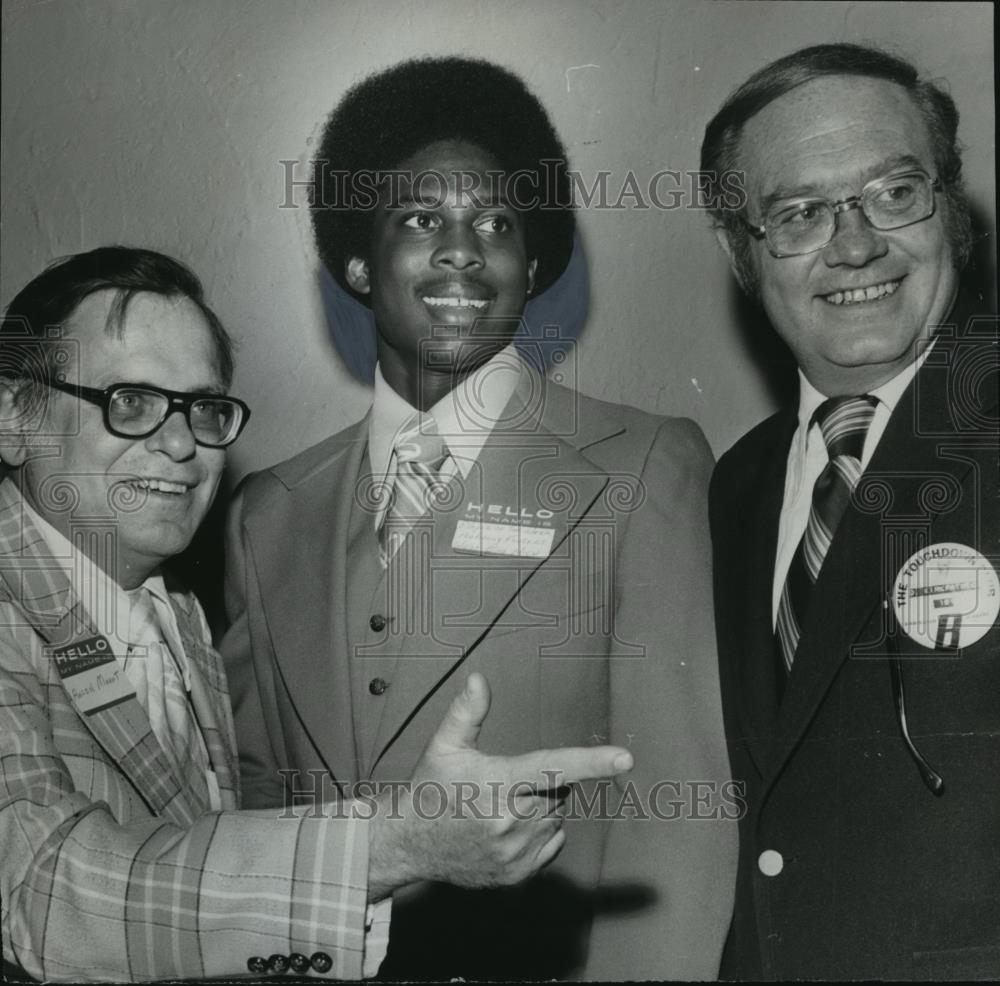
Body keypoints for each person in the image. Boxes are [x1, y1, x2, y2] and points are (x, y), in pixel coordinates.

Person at [221, 56, 736, 980]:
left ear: (532, 267)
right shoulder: (267, 514)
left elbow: (680, 816)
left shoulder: (643, 465)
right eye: (421, 219)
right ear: (354, 260)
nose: (463, 249)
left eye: (496, 223)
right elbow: (255, 805)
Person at [0, 246, 633, 982]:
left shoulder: (178, 617)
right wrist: (394, 844)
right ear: (14, 415)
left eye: (203, 409)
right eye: (131, 403)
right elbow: (44, 892)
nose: (179, 445)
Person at [702, 43, 999, 979]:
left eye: (895, 192)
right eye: (798, 214)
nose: (857, 244)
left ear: (951, 210)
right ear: (741, 252)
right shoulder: (738, 485)